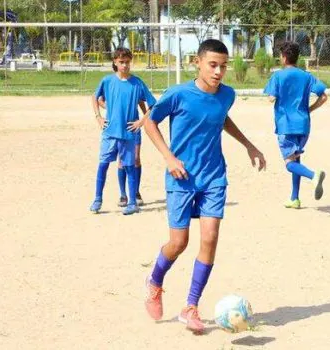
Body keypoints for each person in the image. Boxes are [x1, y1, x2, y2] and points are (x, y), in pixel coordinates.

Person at [143, 39, 266, 333]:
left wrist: (248, 145)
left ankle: (191, 307)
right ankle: (155, 281)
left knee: (209, 239)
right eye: (212, 65)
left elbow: (222, 118)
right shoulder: (178, 95)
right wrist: (169, 157)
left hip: (213, 177)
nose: (218, 71)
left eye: (223, 66)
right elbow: (149, 122)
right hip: (181, 178)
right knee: (179, 243)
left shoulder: (227, 95)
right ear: (196, 63)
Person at [90, 48, 156, 215]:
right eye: (121, 62)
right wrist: (98, 116)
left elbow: (153, 104)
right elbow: (94, 97)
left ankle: (132, 202)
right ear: (115, 62)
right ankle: (97, 199)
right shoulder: (107, 81)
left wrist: (141, 121)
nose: (125, 65)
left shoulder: (137, 83)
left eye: (127, 62)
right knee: (103, 165)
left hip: (128, 133)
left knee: (130, 165)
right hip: (110, 132)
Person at [263, 41, 328, 209]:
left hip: (286, 125)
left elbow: (271, 98)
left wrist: (275, 96)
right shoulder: (307, 76)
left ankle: (313, 175)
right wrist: (309, 109)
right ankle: (294, 198)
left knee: (289, 163)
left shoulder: (278, 76)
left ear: (284, 58)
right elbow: (323, 97)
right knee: (296, 158)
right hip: (304, 125)